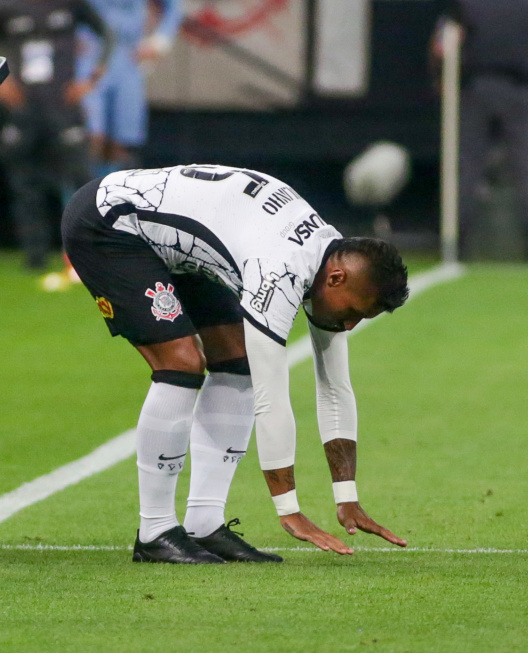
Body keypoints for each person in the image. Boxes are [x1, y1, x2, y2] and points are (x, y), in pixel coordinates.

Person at [61, 164, 410, 563]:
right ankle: (155, 530)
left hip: (177, 245)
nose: (349, 324)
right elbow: (271, 397)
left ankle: (203, 524)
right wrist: (289, 510)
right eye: (353, 312)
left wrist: (346, 497)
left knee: (236, 359)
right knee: (182, 362)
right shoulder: (280, 270)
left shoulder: (330, 257)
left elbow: (335, 387)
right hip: (111, 224)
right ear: (336, 278)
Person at [432, 0, 528, 261]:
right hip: (521, 90)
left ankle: (455, 247)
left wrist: (440, 80)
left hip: (477, 89)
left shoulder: (467, 6)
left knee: (466, 170)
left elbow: (442, 46)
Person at [0, 0, 114, 271]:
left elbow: (106, 34)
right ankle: (34, 256)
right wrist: (3, 85)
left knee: (83, 181)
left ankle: (96, 253)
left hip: (63, 106)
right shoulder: (8, 6)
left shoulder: (71, 3)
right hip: (22, 106)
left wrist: (92, 78)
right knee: (23, 182)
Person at [76, 0, 183, 177]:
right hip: (91, 54)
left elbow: (173, 8)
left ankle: (113, 194)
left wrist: (159, 41)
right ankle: (82, 196)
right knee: (91, 134)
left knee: (121, 139)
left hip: (127, 56)